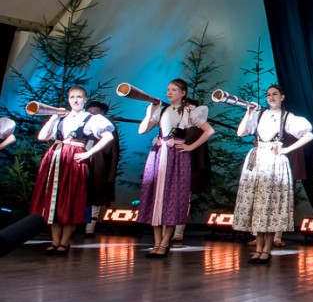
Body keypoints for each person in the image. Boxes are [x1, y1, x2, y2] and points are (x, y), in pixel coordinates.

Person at [233, 84, 313, 264]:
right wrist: (249, 112)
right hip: (257, 159)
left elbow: (309, 135)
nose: (271, 97)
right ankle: (258, 249)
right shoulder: (259, 113)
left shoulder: (287, 117)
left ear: (282, 97)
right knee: (257, 204)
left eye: (275, 94)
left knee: (269, 204)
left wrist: (287, 149)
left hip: (274, 161)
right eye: (268, 94)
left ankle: (266, 250)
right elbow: (241, 132)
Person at [30, 86, 115, 255]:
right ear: (68, 99)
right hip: (57, 159)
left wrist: (88, 153)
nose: (75, 100)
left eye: (79, 97)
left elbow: (108, 136)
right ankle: (55, 242)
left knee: (70, 200)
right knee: (54, 200)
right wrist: (54, 115)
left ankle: (64, 242)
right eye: (72, 97)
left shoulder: (91, 118)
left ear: (85, 99)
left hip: (74, 160)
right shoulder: (62, 117)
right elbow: (42, 137)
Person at [136, 80, 214, 258]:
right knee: (155, 196)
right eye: (168, 90)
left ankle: (165, 242)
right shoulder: (162, 110)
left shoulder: (190, 111)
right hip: (158, 154)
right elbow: (142, 130)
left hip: (177, 157)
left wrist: (190, 146)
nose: (169, 92)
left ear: (183, 93)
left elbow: (209, 131)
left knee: (173, 196)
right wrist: (151, 110)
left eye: (174, 90)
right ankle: (157, 243)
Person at [84, 100, 120, 237]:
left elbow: (114, 152)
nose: (93, 115)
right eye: (90, 112)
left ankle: (90, 228)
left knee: (96, 195)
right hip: (81, 164)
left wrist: (111, 174)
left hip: (99, 165)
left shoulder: (108, 129)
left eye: (96, 112)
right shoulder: (82, 126)